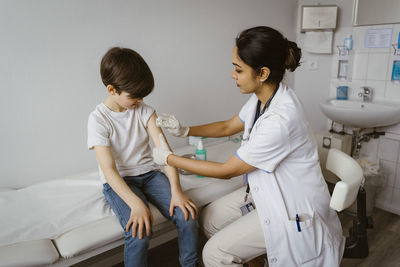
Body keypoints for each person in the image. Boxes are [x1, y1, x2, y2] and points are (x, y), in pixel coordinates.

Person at [153, 26, 345, 267]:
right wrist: (185, 130)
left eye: (238, 69)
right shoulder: (263, 98)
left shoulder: (281, 119)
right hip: (266, 192)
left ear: (262, 73)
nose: (232, 75)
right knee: (210, 218)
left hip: (290, 206)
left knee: (214, 255)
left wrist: (168, 158)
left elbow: (227, 171)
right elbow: (227, 127)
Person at [87, 47, 199, 267]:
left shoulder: (146, 111)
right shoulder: (98, 120)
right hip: (120, 181)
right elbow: (109, 171)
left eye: (142, 96)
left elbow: (164, 152)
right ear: (112, 89)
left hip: (149, 174)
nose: (139, 100)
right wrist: (136, 204)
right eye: (134, 96)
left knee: (188, 216)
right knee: (139, 231)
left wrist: (177, 191)